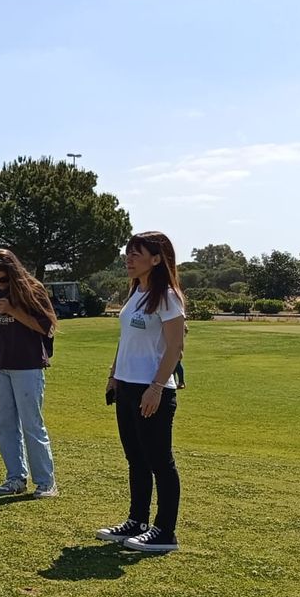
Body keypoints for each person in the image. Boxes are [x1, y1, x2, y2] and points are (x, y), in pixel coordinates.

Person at [97, 231, 187, 553]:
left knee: (159, 461)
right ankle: (137, 521)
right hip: (128, 385)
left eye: (136, 253)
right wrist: (114, 376)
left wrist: (157, 387)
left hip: (154, 389)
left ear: (157, 258)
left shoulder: (167, 297)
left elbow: (175, 346)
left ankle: (165, 532)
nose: (129, 259)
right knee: (135, 458)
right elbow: (126, 340)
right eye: (128, 253)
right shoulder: (136, 292)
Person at [0, 249, 59, 498]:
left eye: (3, 279)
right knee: (4, 425)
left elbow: (47, 327)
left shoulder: (33, 290)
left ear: (14, 274)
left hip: (27, 365)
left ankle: (46, 482)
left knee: (32, 424)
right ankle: (15, 478)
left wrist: (12, 310)